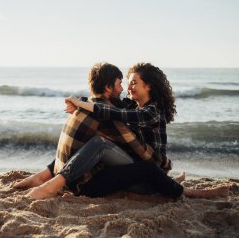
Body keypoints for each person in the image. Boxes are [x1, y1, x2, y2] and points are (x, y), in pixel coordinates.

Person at [24, 62, 229, 199]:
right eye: (126, 83)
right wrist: (82, 103)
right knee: (93, 142)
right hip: (137, 168)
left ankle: (189, 192)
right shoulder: (131, 105)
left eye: (133, 83)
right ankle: (47, 176)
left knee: (102, 145)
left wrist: (82, 104)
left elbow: (116, 114)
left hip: (151, 168)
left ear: (148, 86)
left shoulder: (152, 111)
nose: (128, 88)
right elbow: (109, 107)